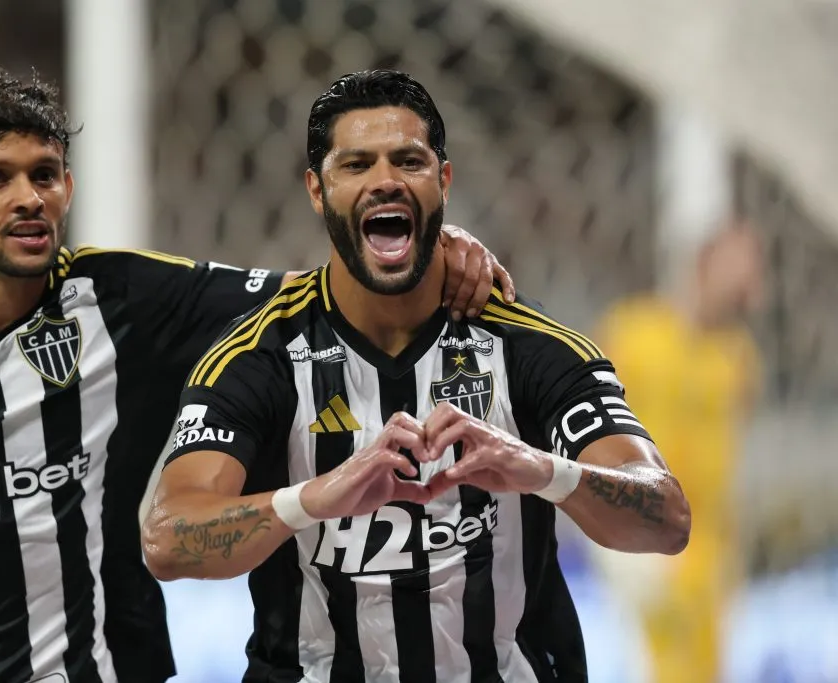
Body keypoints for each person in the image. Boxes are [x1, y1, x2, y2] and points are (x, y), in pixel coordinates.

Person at [0, 64, 513, 682]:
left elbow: (315, 293)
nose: (29, 197)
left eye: (45, 173)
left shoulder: (128, 298)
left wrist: (431, 245)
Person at [144, 69, 692, 683]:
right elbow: (167, 540)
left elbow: (667, 518)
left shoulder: (529, 347)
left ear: (444, 180)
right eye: (356, 165)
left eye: (408, 161)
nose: (384, 181)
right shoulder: (259, 356)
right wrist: (313, 499)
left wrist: (541, 468)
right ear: (316, 191)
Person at [592, 220, 764, 683]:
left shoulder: (738, 357)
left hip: (709, 545)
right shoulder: (634, 332)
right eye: (741, 260)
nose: (751, 276)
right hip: (644, 529)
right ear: (705, 262)